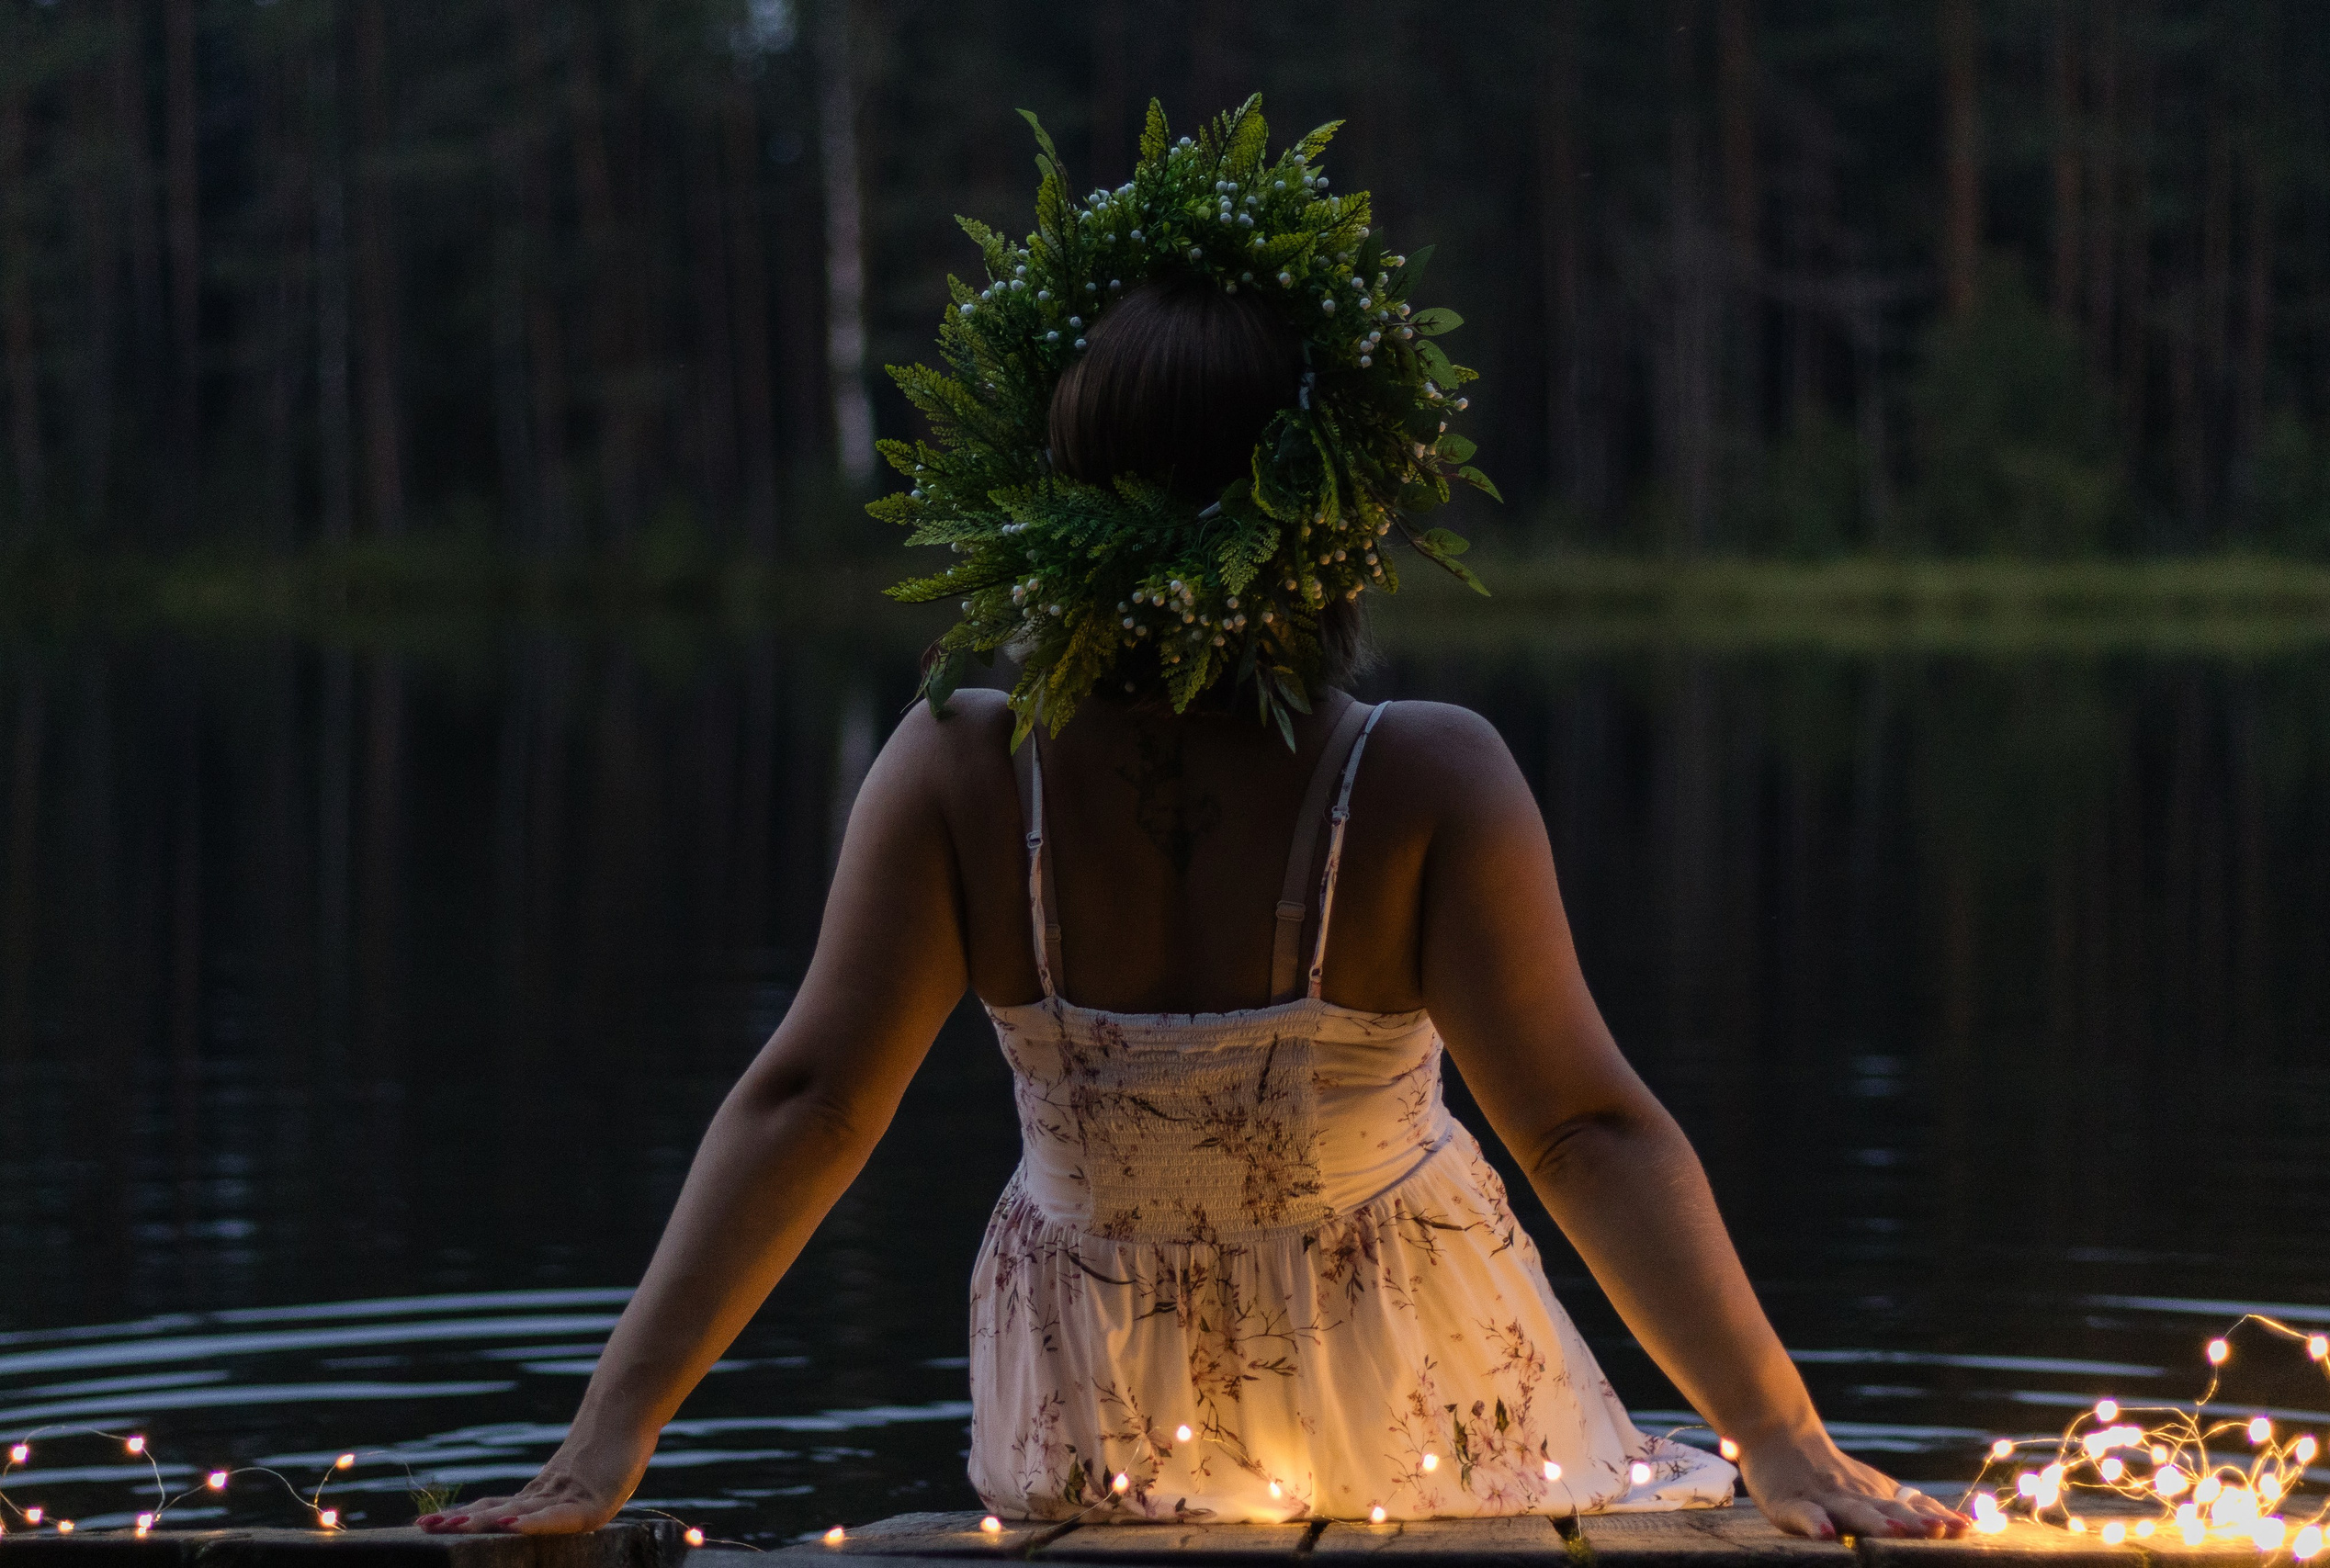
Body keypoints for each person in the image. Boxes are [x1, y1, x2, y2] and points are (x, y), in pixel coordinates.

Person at [419, 100, 1965, 1543]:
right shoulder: (1426, 776)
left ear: (1055, 498)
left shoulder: (966, 765)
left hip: (1097, 1407)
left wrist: (611, 1437)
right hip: (1410, 1367)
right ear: (1333, 510)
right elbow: (1578, 1127)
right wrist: (1776, 1435)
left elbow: (811, 1102)